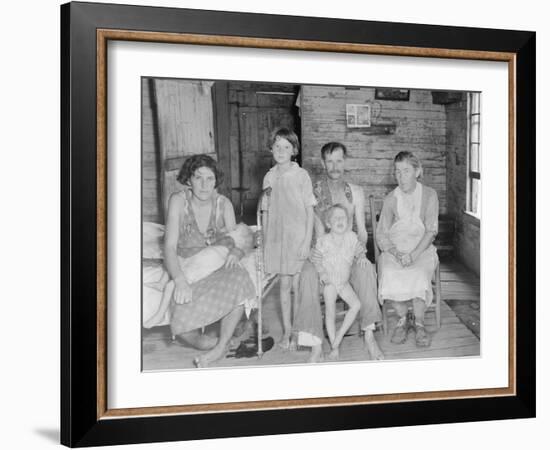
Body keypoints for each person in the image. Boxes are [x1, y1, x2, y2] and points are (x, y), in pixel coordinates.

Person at [142, 154, 256, 367]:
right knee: (187, 332)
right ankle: (217, 342)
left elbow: (239, 239)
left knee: (240, 278)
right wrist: (179, 280)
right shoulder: (178, 201)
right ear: (189, 179)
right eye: (198, 177)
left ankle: (219, 349)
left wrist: (236, 254)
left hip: (214, 266)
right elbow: (169, 246)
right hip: (186, 268)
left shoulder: (224, 205)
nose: (204, 185)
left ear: (216, 181)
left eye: (210, 178)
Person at [293, 142, 384, 362]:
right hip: (322, 253)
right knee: (306, 276)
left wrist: (357, 253)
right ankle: (315, 343)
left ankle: (369, 335)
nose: (335, 166)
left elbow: (361, 232)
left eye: (339, 161)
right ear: (323, 163)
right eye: (330, 161)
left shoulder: (355, 192)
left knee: (366, 271)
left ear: (345, 162)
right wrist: (320, 259)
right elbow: (314, 231)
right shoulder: (313, 192)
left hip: (348, 251)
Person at [376, 151, 439, 348]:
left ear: (417, 172)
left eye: (406, 171)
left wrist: (413, 255)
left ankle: (419, 322)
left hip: (422, 247)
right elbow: (382, 234)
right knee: (389, 271)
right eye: (397, 172)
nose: (400, 176)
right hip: (396, 248)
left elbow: (431, 231)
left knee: (419, 271)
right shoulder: (390, 199)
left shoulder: (429, 195)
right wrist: (396, 253)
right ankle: (403, 320)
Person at [261, 128, 315, 350]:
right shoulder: (269, 176)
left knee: (296, 287)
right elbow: (265, 210)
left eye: (286, 147)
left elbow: (310, 211)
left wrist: (306, 242)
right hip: (277, 239)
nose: (281, 151)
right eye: (277, 146)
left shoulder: (301, 175)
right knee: (283, 285)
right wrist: (265, 240)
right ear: (271, 149)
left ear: (294, 150)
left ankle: (298, 333)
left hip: (297, 238)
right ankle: (286, 332)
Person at [312, 204, 366, 360]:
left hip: (343, 282)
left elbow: (359, 250)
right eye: (335, 218)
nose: (340, 220)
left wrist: (361, 257)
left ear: (348, 222)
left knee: (356, 305)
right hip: (329, 282)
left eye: (343, 217)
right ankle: (334, 347)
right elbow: (316, 259)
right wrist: (322, 273)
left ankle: (339, 337)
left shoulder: (351, 237)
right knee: (330, 312)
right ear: (328, 224)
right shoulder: (324, 241)